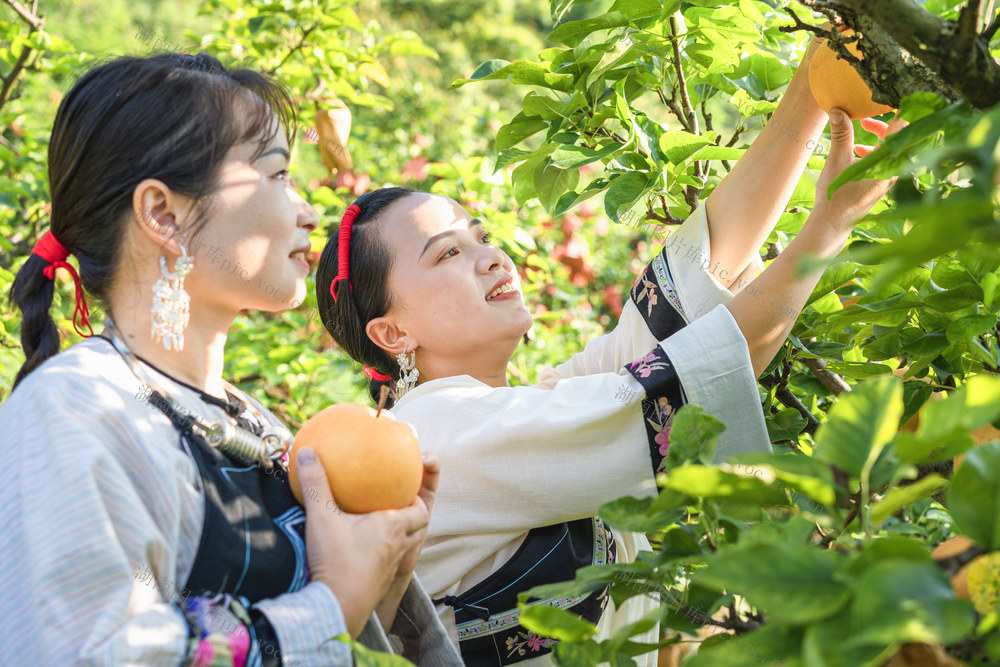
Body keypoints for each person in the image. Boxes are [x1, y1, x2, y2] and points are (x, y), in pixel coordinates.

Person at [311, 27, 905, 665]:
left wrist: (812, 95)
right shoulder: (429, 436)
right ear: (392, 333)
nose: (489, 257)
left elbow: (691, 288)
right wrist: (828, 228)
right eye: (449, 253)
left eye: (480, 236)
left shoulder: (525, 408)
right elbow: (687, 382)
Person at [0, 52, 462, 666]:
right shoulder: (77, 407)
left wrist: (384, 567)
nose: (308, 209)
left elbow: (341, 639)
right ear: (164, 214)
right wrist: (329, 604)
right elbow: (83, 650)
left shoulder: (258, 424)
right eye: (276, 176)